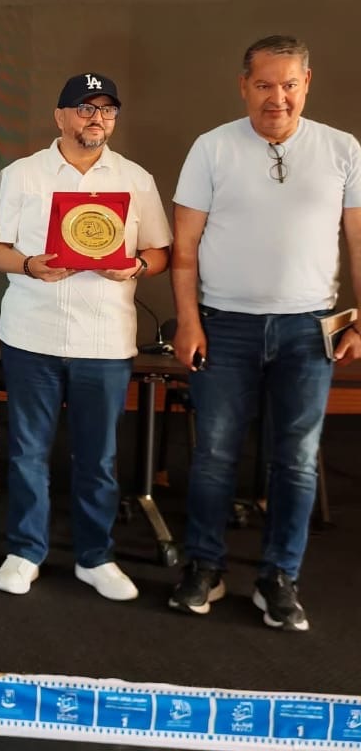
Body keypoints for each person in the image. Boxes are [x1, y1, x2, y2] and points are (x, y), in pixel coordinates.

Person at [169, 35, 361, 631]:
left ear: (307, 84)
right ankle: (205, 567)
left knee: (296, 460)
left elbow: (359, 241)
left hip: (309, 330)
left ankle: (279, 577)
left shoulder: (342, 149)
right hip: (224, 325)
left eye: (289, 85)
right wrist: (188, 320)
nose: (277, 97)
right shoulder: (212, 148)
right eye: (263, 85)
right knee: (213, 457)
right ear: (243, 86)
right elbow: (184, 248)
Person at [0, 72, 171, 601]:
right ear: (60, 116)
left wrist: (135, 265)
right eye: (85, 108)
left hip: (105, 341)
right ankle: (25, 551)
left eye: (107, 109)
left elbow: (159, 252)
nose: (97, 118)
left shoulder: (135, 179)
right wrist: (28, 264)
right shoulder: (21, 175)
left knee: (98, 458)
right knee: (27, 453)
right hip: (31, 335)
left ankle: (96, 557)